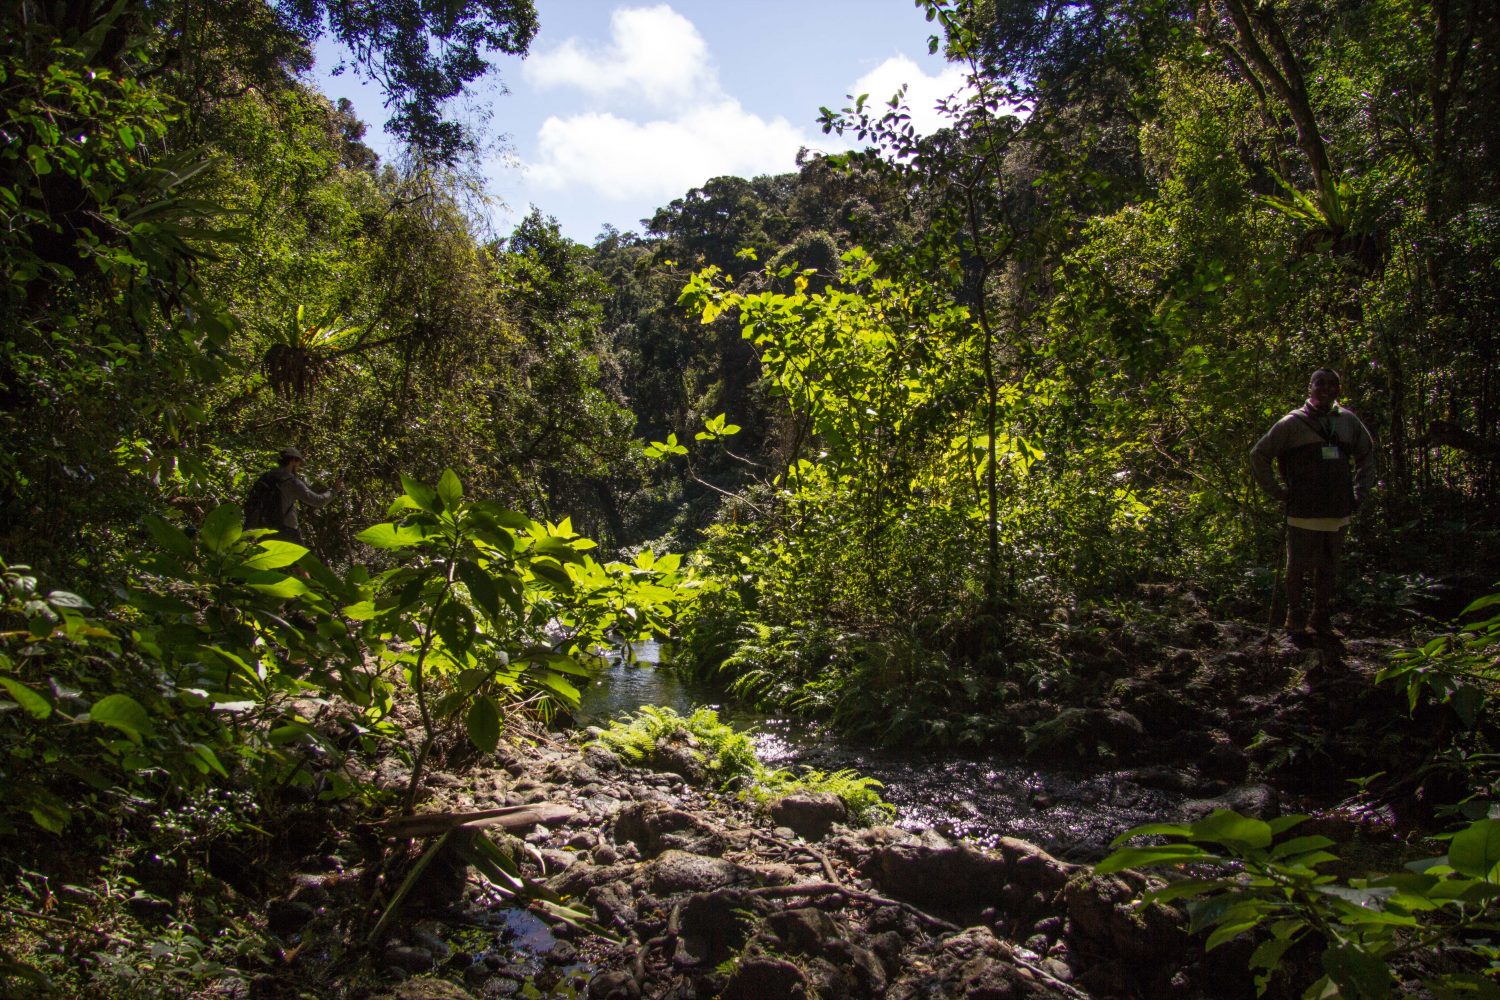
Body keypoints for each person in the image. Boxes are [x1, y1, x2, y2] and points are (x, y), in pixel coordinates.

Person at [1250, 367, 1378, 639]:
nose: (1326, 388)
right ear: (1310, 387)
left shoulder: (1347, 421)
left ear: (1339, 389)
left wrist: (1360, 492)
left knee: (1330, 564)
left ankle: (1321, 616)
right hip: (1303, 509)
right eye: (1320, 383)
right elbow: (1260, 454)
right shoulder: (1291, 423)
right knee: (1297, 564)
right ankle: (1294, 615)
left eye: (1333, 384)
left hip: (1338, 508)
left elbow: (1367, 456)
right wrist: (1277, 491)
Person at [254, 446, 334, 545]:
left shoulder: (265, 478)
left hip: (263, 529)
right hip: (286, 530)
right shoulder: (291, 481)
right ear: (293, 461)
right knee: (301, 559)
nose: (298, 467)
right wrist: (333, 490)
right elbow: (318, 501)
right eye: (298, 463)